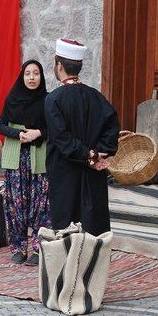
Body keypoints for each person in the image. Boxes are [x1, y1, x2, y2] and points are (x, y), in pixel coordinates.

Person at [44, 39, 120, 236]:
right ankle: (92, 265)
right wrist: (98, 154)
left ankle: (68, 266)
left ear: (59, 65)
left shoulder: (53, 99)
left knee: (65, 229)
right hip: (93, 173)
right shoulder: (97, 97)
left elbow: (62, 140)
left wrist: (90, 155)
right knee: (93, 225)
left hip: (64, 173)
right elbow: (112, 128)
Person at [0, 60, 51, 265]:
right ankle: (18, 247)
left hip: (39, 158)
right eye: (27, 73)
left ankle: (38, 249)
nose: (31, 77)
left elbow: (54, 129)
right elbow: (0, 126)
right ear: (22, 76)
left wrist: (38, 133)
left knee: (41, 205)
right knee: (16, 205)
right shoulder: (12, 98)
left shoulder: (48, 100)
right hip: (16, 159)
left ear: (41, 76)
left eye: (36, 73)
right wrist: (18, 133)